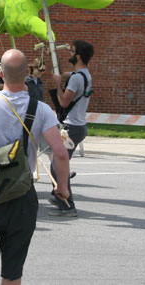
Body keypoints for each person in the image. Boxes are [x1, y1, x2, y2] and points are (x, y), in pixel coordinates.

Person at [0, 49, 69, 284]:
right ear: (26, 74)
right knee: (12, 270)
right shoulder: (41, 109)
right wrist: (62, 187)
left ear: (1, 73)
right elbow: (60, 153)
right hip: (22, 194)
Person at [48, 40, 94, 217]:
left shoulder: (75, 78)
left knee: (58, 167)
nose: (70, 53)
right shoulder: (85, 75)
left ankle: (67, 205)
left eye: (72, 51)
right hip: (79, 125)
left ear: (78, 56)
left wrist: (59, 85)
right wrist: (62, 76)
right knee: (61, 163)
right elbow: (73, 76)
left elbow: (63, 102)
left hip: (70, 127)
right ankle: (57, 194)